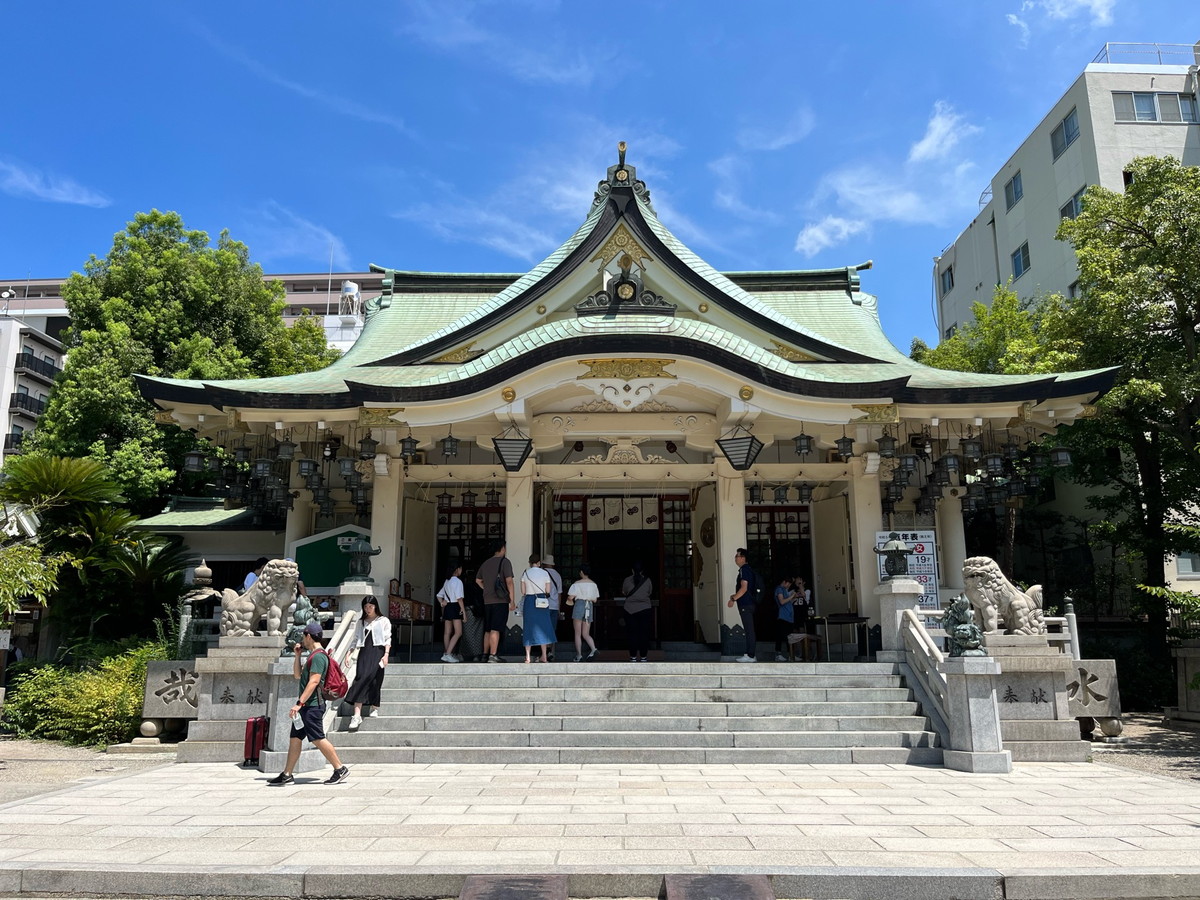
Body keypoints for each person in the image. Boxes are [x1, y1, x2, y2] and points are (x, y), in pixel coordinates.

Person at [267, 621, 349, 785]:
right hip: (307, 706)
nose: (302, 640)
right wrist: (297, 656)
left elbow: (314, 681)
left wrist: (299, 703)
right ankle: (287, 774)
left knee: (317, 738)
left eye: (303, 637)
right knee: (295, 738)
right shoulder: (312, 655)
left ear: (308, 636)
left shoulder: (318, 657)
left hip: (312, 706)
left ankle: (340, 769)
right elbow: (297, 676)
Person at [345, 597, 391, 730]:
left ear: (376, 606)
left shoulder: (383, 621)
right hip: (365, 652)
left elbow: (388, 638)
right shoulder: (361, 622)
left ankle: (374, 706)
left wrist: (386, 654)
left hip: (378, 651)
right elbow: (356, 639)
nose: (368, 609)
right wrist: (349, 653)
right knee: (361, 678)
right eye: (366, 607)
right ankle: (357, 715)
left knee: (376, 679)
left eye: (371, 606)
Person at [475, 541, 515, 663]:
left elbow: (478, 580)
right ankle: (493, 655)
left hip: (487, 600)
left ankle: (484, 655)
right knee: (496, 628)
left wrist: (486, 589)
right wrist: (512, 600)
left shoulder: (485, 563)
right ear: (502, 548)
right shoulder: (505, 562)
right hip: (500, 600)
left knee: (488, 628)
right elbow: (509, 581)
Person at [519, 554, 555, 664]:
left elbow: (523, 592)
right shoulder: (545, 573)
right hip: (542, 601)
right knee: (543, 627)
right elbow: (548, 590)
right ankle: (544, 655)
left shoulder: (525, 573)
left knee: (528, 627)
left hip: (529, 601)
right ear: (539, 563)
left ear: (530, 562)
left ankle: (528, 656)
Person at [727, 548, 757, 662]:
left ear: (743, 558)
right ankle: (750, 654)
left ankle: (750, 655)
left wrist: (733, 598)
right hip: (748, 604)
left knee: (749, 629)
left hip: (746, 604)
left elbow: (744, 588)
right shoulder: (746, 570)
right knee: (749, 629)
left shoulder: (745, 570)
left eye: (737, 556)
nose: (735, 558)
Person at [622, 562, 653, 662]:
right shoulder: (647, 580)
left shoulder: (627, 580)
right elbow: (649, 592)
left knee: (632, 634)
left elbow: (624, 592)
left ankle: (633, 656)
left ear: (632, 570)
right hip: (645, 609)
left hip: (629, 610)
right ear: (642, 570)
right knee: (644, 633)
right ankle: (643, 656)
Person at [569, 563, 600, 662]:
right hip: (589, 606)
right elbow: (595, 599)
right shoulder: (594, 584)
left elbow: (570, 597)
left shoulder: (576, 584)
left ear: (581, 572)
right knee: (586, 633)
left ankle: (579, 655)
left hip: (579, 605)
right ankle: (593, 649)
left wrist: (569, 600)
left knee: (577, 633)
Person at [437, 564, 465, 663]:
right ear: (457, 569)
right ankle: (448, 654)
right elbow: (459, 598)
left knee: (447, 632)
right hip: (455, 606)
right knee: (458, 632)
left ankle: (446, 652)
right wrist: (464, 612)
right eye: (461, 568)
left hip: (447, 607)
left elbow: (439, 595)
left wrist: (442, 602)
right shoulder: (458, 582)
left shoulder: (447, 581)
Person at [542, 554, 563, 661]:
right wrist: (559, 608)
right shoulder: (558, 576)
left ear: (544, 563)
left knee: (543, 628)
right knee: (552, 629)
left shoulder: (542, 573)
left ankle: (544, 652)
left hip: (543, 605)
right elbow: (559, 594)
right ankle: (551, 651)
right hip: (554, 606)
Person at [773, 576, 796, 662]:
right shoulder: (779, 589)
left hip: (789, 616)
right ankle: (778, 654)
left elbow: (787, 602)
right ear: (785, 582)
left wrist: (793, 598)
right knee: (780, 635)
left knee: (789, 636)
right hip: (783, 616)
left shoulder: (784, 590)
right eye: (788, 584)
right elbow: (782, 601)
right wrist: (791, 596)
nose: (789, 586)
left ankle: (791, 654)